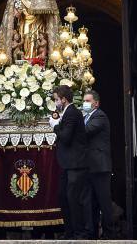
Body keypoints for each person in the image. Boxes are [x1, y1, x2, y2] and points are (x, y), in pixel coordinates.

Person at [49, 85, 92, 239]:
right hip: (68, 164)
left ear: (64, 99)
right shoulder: (67, 113)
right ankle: (70, 231)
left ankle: (79, 233)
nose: (56, 103)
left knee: (73, 199)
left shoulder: (72, 113)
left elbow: (66, 137)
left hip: (76, 164)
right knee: (63, 196)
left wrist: (55, 126)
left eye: (56, 100)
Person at [82, 90, 115, 238]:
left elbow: (87, 131)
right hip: (89, 166)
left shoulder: (99, 116)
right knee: (90, 202)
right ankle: (92, 233)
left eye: (88, 101)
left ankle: (109, 234)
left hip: (100, 167)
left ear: (96, 103)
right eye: (84, 101)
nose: (85, 104)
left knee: (104, 201)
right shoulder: (87, 117)